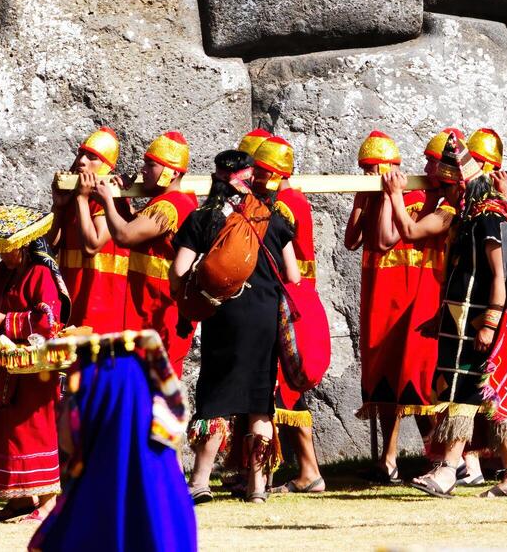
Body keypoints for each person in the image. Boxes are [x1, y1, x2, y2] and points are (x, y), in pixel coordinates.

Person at [387, 136, 507, 499]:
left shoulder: (489, 217)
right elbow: (459, 270)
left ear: (461, 183)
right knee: (488, 396)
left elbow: (498, 274)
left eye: (446, 185)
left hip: (479, 321)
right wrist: (441, 314)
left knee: (463, 393)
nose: (442, 191)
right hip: (459, 318)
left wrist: (490, 322)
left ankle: (449, 470)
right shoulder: (469, 215)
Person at [173, 149, 298, 504]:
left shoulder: (203, 219)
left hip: (222, 315)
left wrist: (190, 298)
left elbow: (179, 273)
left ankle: (199, 481)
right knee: (260, 402)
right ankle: (257, 487)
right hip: (264, 321)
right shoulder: (273, 219)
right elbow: (292, 275)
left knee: (215, 398)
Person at [28, 332, 197, 551]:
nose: (59, 412)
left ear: (100, 407)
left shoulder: (91, 510)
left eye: (70, 398)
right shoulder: (173, 498)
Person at [345, 130, 436, 484]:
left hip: (405, 297)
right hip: (377, 297)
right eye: (363, 169)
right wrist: (359, 199)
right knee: (382, 379)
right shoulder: (369, 197)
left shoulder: (410, 197)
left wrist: (385, 197)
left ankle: (435, 458)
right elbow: (352, 241)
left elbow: (385, 239)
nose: (368, 175)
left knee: (411, 379)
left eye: (372, 169)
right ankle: (389, 457)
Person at [245, 135, 326, 493]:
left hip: (284, 303)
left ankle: (308, 471)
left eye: (261, 172)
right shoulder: (291, 200)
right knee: (283, 388)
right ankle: (294, 471)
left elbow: (279, 261)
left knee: (284, 389)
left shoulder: (283, 207)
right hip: (290, 300)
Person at [0, 215, 68, 524]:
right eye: (1, 249)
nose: (4, 254)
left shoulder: (40, 274)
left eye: (9, 248)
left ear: (24, 244)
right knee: (5, 428)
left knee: (33, 428)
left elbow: (49, 320)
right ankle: (19, 498)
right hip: (3, 363)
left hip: (34, 367)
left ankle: (47, 502)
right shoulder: (0, 272)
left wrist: (5, 321)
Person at [96, 131, 198, 373]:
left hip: (159, 311)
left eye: (151, 165)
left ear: (172, 172)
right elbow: (136, 231)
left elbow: (125, 236)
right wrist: (121, 202)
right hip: (146, 307)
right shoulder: (166, 202)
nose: (143, 170)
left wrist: (108, 201)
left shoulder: (170, 206)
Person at [55, 128, 129, 332]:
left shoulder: (111, 198)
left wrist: (81, 198)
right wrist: (59, 207)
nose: (81, 161)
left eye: (92, 157)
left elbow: (91, 246)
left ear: (105, 167)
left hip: (101, 304)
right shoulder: (75, 196)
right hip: (71, 301)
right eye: (80, 153)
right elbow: (51, 245)